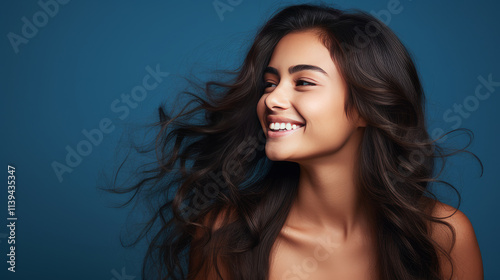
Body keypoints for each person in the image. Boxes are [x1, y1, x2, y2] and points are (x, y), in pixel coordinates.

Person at [106, 3, 483, 280]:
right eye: (270, 83)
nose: (271, 99)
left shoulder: (442, 236)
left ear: (367, 108)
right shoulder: (225, 234)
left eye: (303, 82)